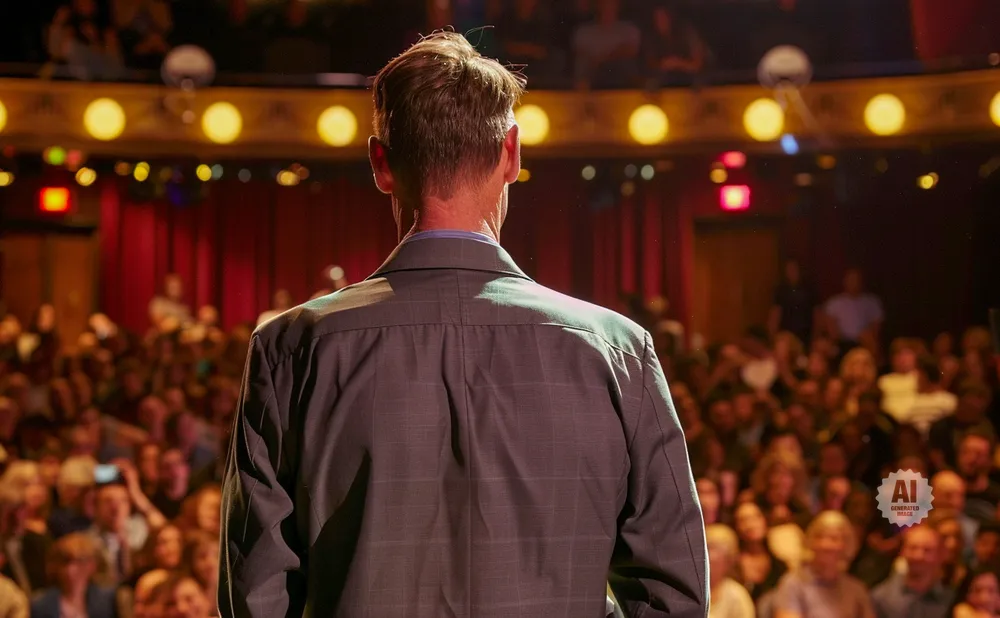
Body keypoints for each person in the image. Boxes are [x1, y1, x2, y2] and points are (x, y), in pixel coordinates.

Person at [219, 31, 707, 618]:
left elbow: (255, 599)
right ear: (512, 153)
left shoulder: (292, 347)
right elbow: (672, 597)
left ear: (380, 163)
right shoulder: (617, 350)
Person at [870, 525, 954, 618]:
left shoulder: (951, 601)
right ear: (902, 552)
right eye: (913, 548)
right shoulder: (882, 598)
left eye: (927, 550)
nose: (918, 556)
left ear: (941, 555)